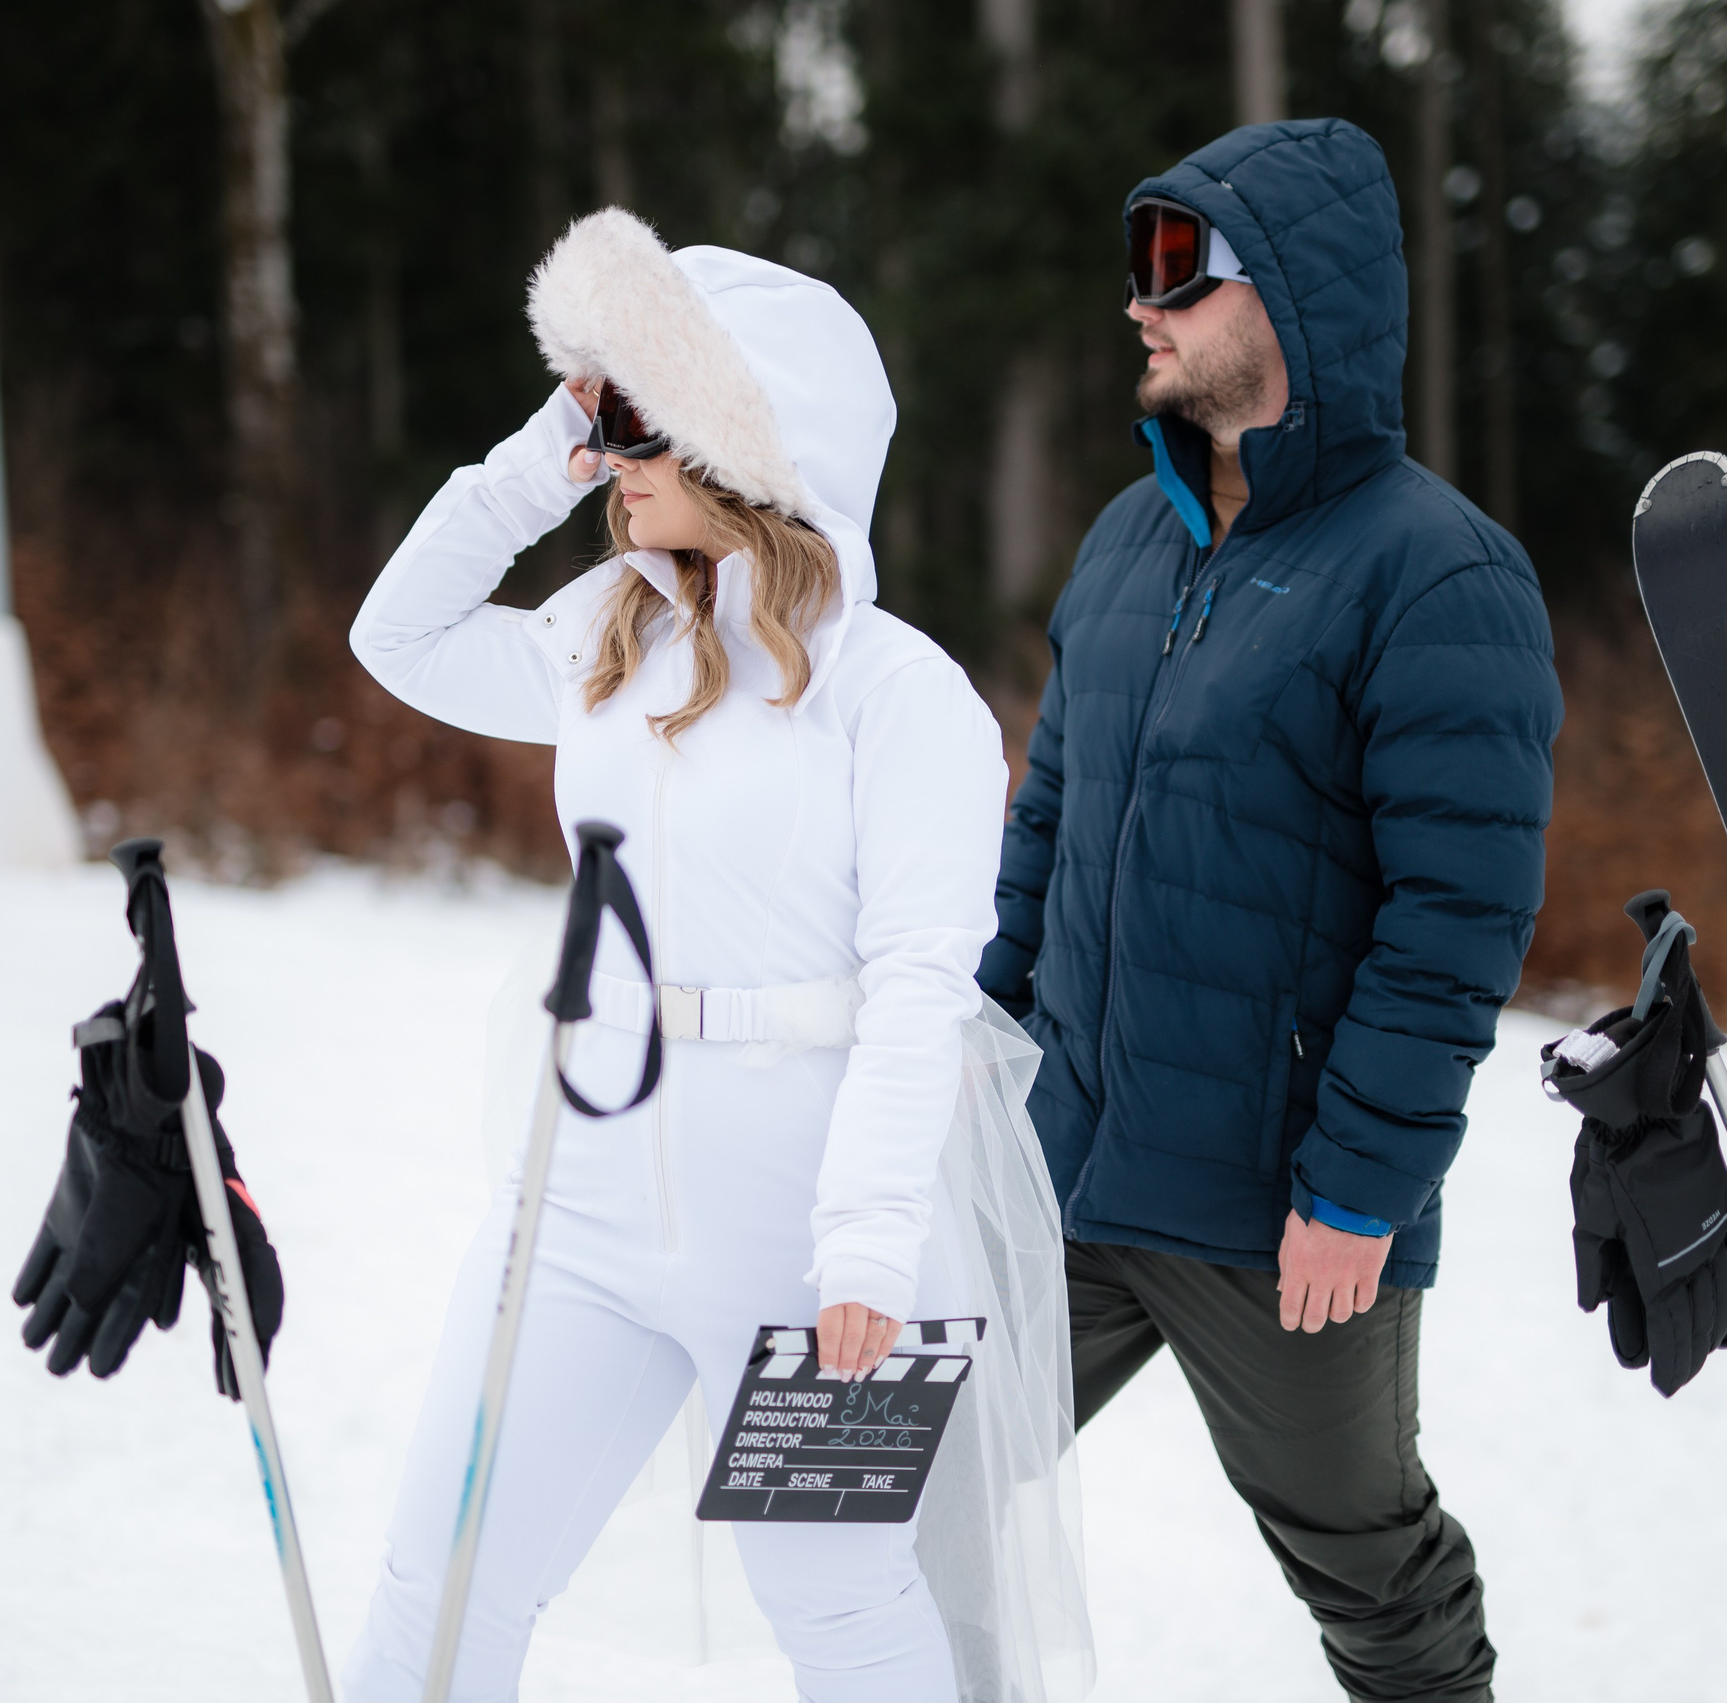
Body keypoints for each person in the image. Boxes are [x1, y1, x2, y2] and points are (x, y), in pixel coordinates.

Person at [343, 208, 1085, 1703]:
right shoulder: (611, 635)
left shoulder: (900, 693)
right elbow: (399, 637)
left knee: (847, 1613)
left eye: (635, 417)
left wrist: (866, 1241)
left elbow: (921, 990)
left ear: (746, 441)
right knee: (449, 1569)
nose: (608, 453)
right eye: (599, 411)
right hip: (588, 1202)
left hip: (811, 1229)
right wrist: (542, 446)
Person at [978, 119, 1561, 1701]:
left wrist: (1360, 1189)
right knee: (892, 1483)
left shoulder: (1438, 575)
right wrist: (977, 1069)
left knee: (1368, 1568)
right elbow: (1049, 821)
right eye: (1136, 267)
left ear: (1291, 298)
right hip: (1068, 1163)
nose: (1140, 305)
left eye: (1178, 266)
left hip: (1278, 1208)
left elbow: (1455, 917)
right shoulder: (1125, 541)